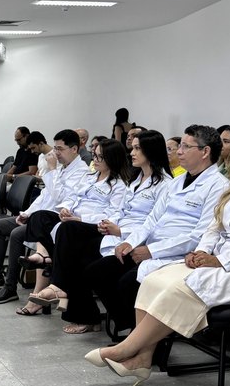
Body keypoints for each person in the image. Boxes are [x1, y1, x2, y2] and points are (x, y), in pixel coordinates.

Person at [86, 120, 230, 386]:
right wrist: (202, 251)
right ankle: (143, 357)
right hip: (219, 263)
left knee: (187, 285)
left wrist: (220, 260)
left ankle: (127, 349)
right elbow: (215, 226)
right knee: (156, 278)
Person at [22, 130, 172, 330]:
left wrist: (117, 229)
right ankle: (63, 287)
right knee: (55, 229)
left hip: (130, 238)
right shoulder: (136, 181)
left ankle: (59, 282)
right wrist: (98, 220)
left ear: (151, 151)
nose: (132, 152)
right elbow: (119, 211)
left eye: (137, 148)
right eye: (132, 148)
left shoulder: (163, 184)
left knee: (73, 242)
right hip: (111, 232)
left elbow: (152, 223)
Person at [85, 125, 229, 334]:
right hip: (150, 247)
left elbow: (199, 235)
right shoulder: (177, 182)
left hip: (176, 254)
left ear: (205, 152)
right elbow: (152, 219)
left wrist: (152, 251)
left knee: (128, 283)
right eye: (179, 146)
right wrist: (130, 242)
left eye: (186, 147)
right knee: (96, 272)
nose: (178, 151)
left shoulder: (219, 186)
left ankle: (147, 343)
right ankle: (130, 329)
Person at [16, 138, 133, 317]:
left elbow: (113, 214)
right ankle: (48, 258)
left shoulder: (119, 185)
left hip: (93, 226)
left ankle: (56, 281)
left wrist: (79, 218)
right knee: (40, 217)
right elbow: (73, 197)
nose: (95, 160)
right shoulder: (90, 176)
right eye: (94, 155)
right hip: (72, 220)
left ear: (112, 159)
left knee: (67, 231)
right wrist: (66, 209)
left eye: (100, 157)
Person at [0, 129, 88, 304]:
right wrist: (26, 213)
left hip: (54, 221)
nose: (56, 153)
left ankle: (10, 288)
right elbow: (44, 196)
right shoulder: (63, 168)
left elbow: (60, 199)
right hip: (38, 216)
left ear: (74, 149)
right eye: (55, 148)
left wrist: (53, 170)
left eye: (60, 149)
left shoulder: (81, 171)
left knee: (17, 235)